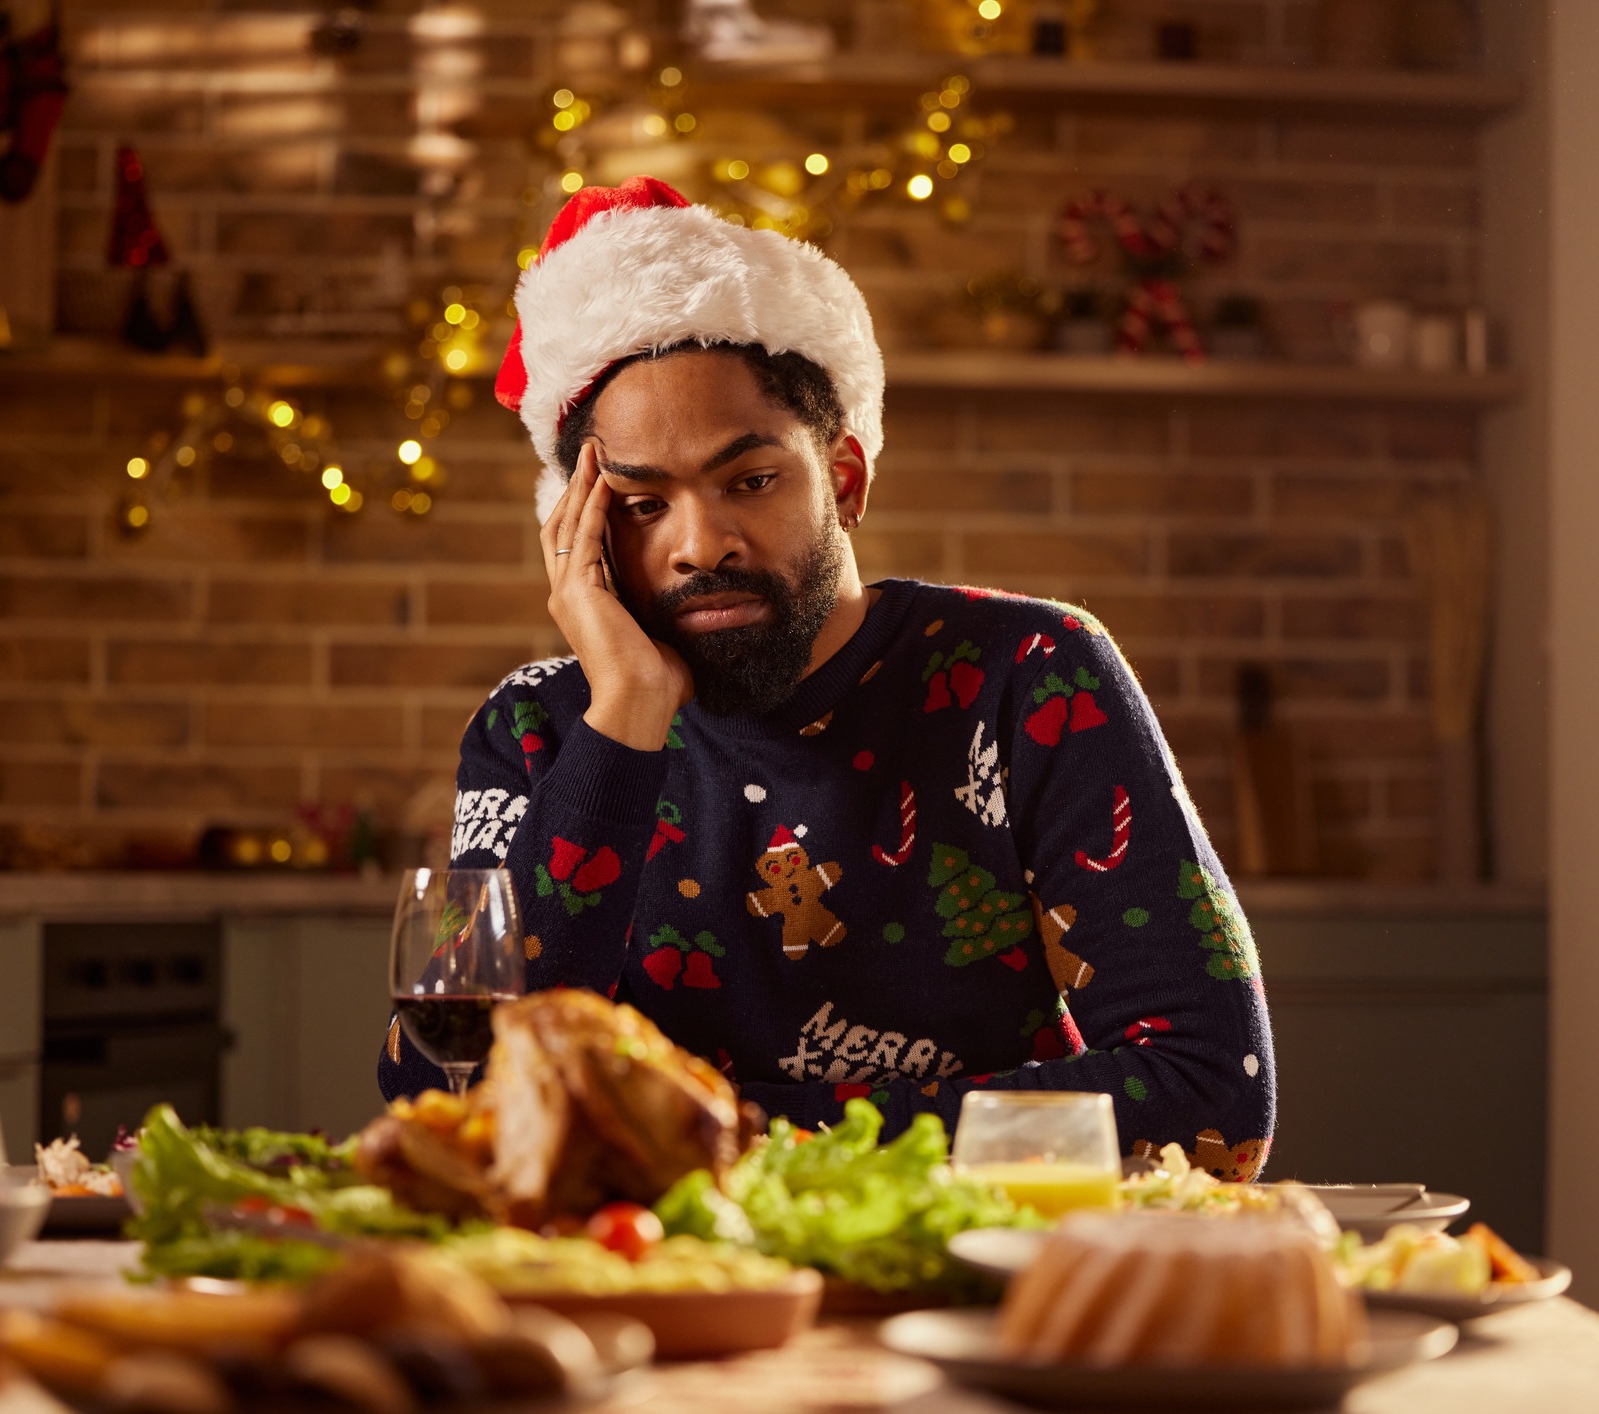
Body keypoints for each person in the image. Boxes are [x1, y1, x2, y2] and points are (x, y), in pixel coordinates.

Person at [379, 176, 1275, 1172]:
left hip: (962, 1279)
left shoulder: (1030, 673)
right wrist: (621, 720)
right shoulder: (525, 731)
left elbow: (1211, 1094)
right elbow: (439, 1093)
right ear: (576, 527)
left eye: (749, 482)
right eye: (639, 503)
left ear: (842, 478)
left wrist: (723, 1134)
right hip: (643, 1290)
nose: (698, 544)